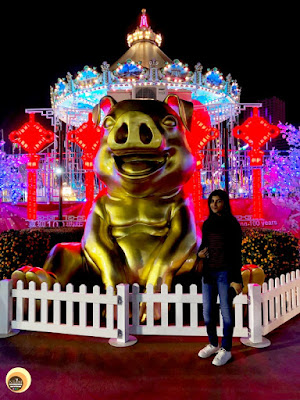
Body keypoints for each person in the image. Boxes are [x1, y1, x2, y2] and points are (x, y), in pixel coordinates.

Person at [197, 189, 243, 366]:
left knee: (226, 314)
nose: (214, 204)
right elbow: (204, 246)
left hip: (225, 274)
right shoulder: (207, 224)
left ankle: (226, 349)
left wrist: (237, 279)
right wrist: (200, 254)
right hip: (209, 274)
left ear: (225, 202)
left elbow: (236, 253)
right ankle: (213, 344)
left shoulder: (232, 224)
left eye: (218, 201)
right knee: (207, 313)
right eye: (212, 201)